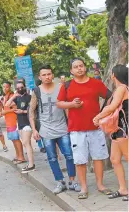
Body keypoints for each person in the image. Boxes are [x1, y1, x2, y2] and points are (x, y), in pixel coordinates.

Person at [57, 58, 112, 199]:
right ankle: (83, 188)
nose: (79, 68)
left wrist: (103, 113)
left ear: (85, 67)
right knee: (80, 160)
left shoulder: (96, 83)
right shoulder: (67, 85)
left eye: (81, 66)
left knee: (98, 157)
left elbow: (110, 97)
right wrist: (71, 105)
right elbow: (59, 103)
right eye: (75, 67)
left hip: (95, 127)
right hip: (76, 129)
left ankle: (100, 185)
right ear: (71, 71)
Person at [29, 65, 80, 194]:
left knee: (69, 155)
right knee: (52, 158)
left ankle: (72, 181)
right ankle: (60, 182)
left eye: (49, 74)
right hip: (46, 130)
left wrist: (72, 124)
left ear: (52, 75)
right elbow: (31, 111)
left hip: (62, 127)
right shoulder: (37, 91)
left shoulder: (60, 87)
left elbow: (68, 106)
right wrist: (34, 130)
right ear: (40, 77)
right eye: (44, 75)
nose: (47, 77)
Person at [93, 64, 128, 201]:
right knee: (115, 159)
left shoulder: (121, 88)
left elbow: (112, 107)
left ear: (114, 74)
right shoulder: (119, 89)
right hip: (116, 129)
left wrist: (98, 117)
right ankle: (123, 189)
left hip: (123, 128)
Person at [6, 81, 35, 173]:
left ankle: (31, 165)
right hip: (20, 123)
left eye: (21, 87)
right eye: (17, 88)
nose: (19, 89)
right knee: (26, 143)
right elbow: (6, 105)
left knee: (26, 143)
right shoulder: (17, 98)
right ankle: (31, 163)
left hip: (28, 123)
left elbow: (33, 111)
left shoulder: (29, 97)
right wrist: (14, 96)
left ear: (25, 87)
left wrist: (22, 112)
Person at [1, 81, 26, 164]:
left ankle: (21, 157)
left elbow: (15, 108)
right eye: (3, 87)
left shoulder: (12, 96)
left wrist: (5, 112)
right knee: (13, 139)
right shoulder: (5, 96)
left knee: (16, 139)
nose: (5, 88)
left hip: (13, 121)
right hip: (8, 121)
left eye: (7, 87)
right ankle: (18, 156)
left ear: (10, 87)